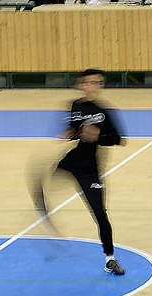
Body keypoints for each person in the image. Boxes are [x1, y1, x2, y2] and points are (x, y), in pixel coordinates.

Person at [30, 69, 128, 274]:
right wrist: (70, 133)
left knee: (100, 214)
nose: (92, 86)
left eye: (96, 82)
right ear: (81, 85)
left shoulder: (105, 111)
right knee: (42, 177)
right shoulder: (74, 105)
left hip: (90, 170)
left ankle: (110, 259)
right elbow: (74, 129)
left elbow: (119, 139)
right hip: (72, 160)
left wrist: (98, 136)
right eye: (88, 82)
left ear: (100, 86)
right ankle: (42, 206)